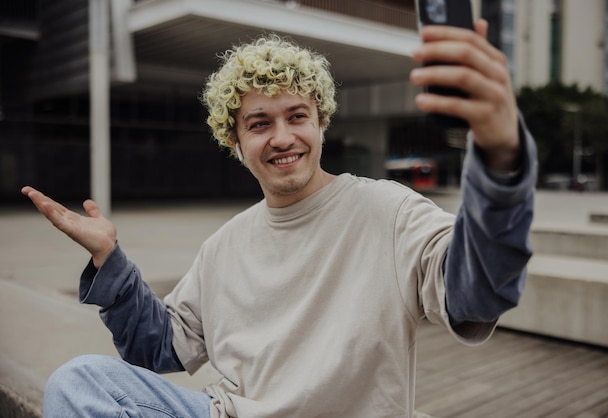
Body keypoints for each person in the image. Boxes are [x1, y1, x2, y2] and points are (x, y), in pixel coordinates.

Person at [22, 19, 537, 418]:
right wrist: (109, 260)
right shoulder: (225, 245)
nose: (283, 137)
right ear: (236, 141)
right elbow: (161, 346)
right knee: (78, 380)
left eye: (297, 116)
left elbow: (476, 290)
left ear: (320, 123)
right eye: (260, 124)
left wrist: (499, 160)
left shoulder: (390, 211)